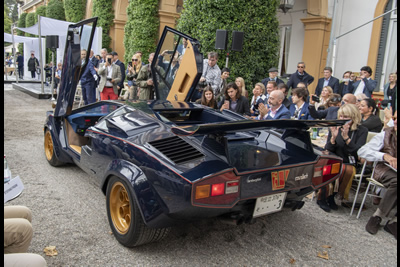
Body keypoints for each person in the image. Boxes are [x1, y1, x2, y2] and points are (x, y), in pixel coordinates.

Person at [317, 104, 368, 212]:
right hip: (335, 159)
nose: (342, 119)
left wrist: (346, 138)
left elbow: (358, 151)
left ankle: (332, 196)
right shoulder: (336, 127)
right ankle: (323, 197)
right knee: (331, 166)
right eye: (341, 116)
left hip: (349, 161)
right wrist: (333, 138)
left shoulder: (362, 130)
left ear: (353, 117)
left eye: (346, 117)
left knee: (343, 169)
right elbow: (328, 149)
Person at [358, 111, 397, 238]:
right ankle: (377, 216)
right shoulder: (385, 134)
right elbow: (362, 151)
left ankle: (394, 222)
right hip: (384, 169)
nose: (395, 121)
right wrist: (384, 156)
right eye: (394, 118)